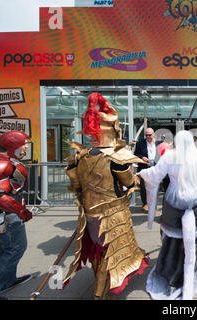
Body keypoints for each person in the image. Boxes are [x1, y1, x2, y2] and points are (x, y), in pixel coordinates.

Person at [63, 92, 149, 299]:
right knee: (110, 253)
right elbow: (128, 183)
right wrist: (135, 178)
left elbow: (76, 187)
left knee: (97, 250)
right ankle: (100, 292)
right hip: (113, 214)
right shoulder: (118, 157)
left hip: (89, 213)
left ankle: (102, 288)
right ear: (112, 130)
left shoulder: (81, 156)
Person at [138, 130, 197, 300]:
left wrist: (141, 174)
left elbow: (155, 175)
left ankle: (172, 273)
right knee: (194, 240)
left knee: (173, 241)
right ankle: (193, 271)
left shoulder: (170, 156)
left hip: (174, 203)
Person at [0, 131, 33, 300]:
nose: (25, 147)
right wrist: (19, 210)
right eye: (22, 144)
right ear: (12, 146)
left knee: (6, 248)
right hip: (3, 215)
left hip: (5, 215)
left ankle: (7, 280)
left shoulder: (5, 162)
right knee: (15, 248)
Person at [134, 127, 162, 211]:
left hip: (155, 169)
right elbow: (136, 154)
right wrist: (142, 157)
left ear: (153, 134)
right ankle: (145, 202)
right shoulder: (140, 143)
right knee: (143, 187)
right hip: (144, 168)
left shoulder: (159, 143)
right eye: (146, 135)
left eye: (149, 135)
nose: (148, 137)